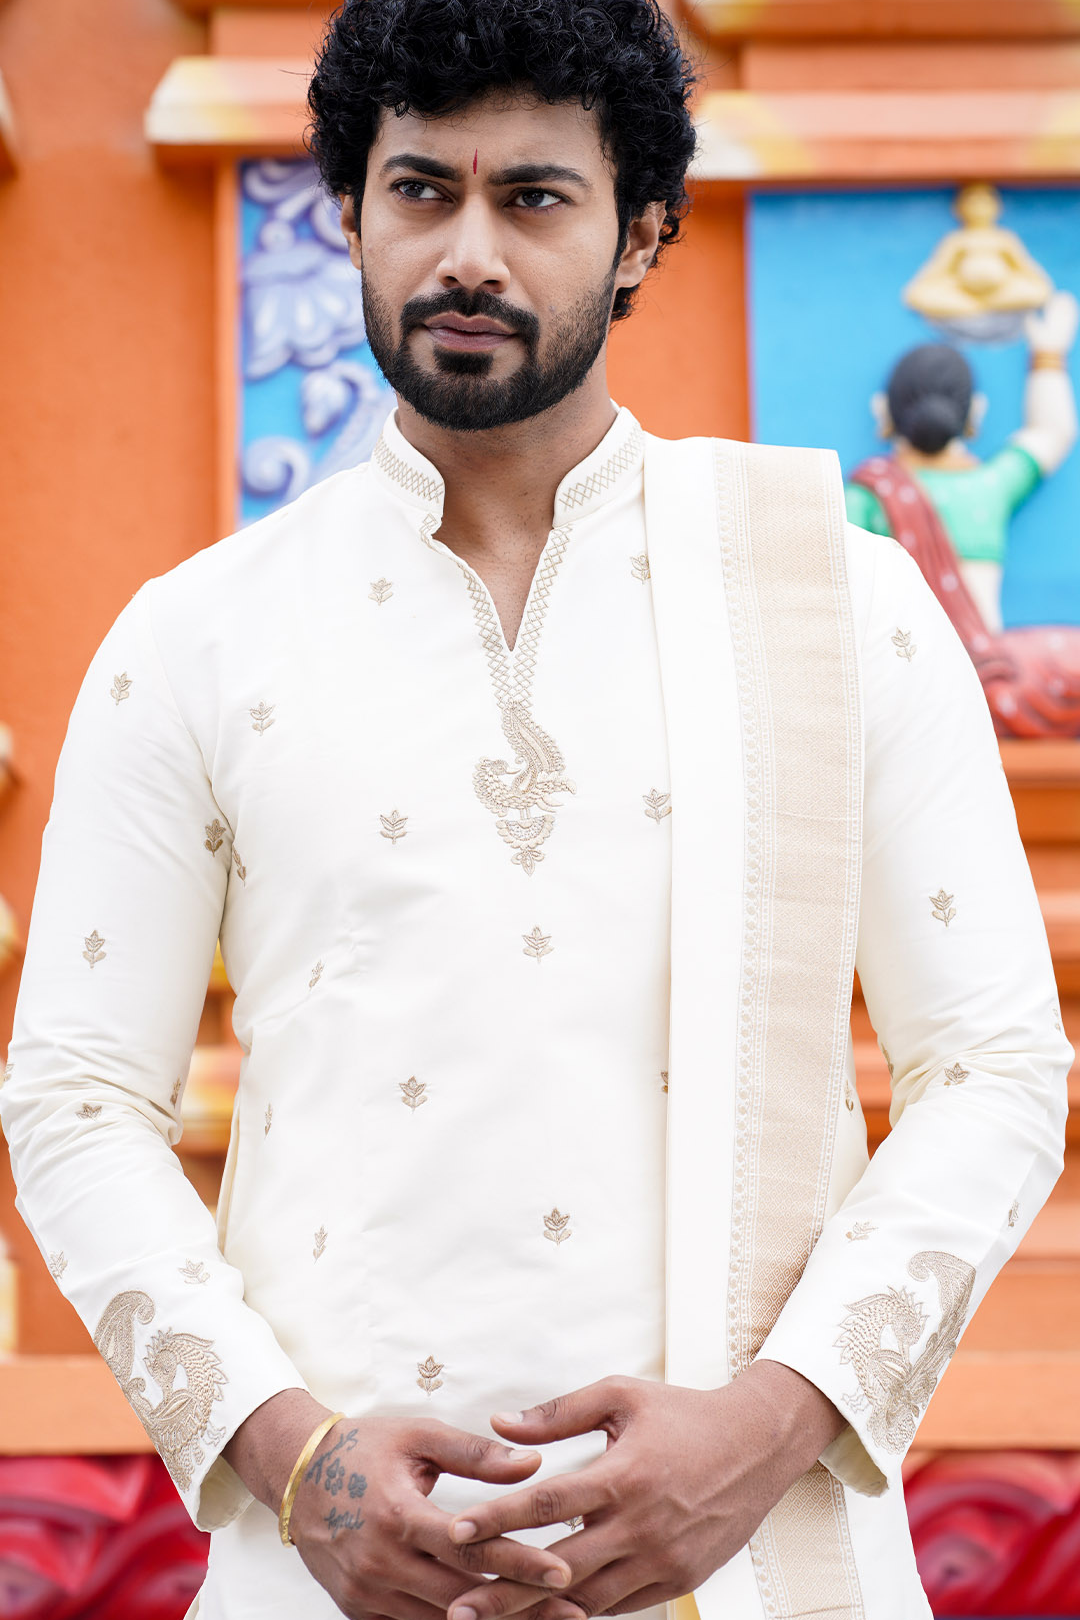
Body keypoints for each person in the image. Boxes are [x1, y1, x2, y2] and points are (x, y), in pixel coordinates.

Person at [1, 3, 1069, 1619]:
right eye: (421, 190)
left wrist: (772, 1428)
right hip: (326, 1573)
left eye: (536, 199)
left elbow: (995, 1067)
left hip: (753, 1565)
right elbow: (77, 1097)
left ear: (641, 232)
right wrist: (299, 1465)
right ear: (349, 213)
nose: (469, 254)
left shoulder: (841, 605)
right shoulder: (198, 638)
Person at [846, 293, 1078, 634]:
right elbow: (1052, 432)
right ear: (976, 412)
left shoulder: (865, 496)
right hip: (980, 665)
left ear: (882, 410)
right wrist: (1048, 355)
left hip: (896, 664)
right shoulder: (988, 487)